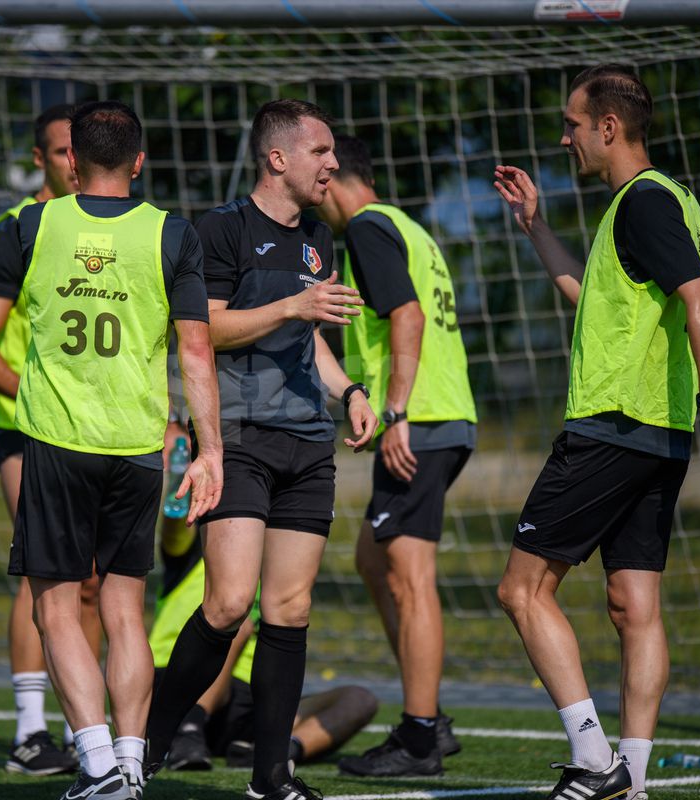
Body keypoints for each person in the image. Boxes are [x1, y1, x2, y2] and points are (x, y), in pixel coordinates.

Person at [493, 64, 700, 800]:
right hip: (656, 436)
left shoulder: (643, 202)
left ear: (608, 128)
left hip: (614, 426)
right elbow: (593, 300)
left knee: (521, 590)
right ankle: (630, 783)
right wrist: (535, 225)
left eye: (572, 125)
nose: (565, 138)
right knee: (633, 606)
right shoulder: (667, 202)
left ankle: (592, 758)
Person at [142, 99, 378, 800]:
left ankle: (271, 777)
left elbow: (311, 337)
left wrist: (350, 391)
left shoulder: (318, 237)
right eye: (320, 152)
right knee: (226, 605)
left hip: (308, 443)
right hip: (238, 437)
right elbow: (204, 329)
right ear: (278, 158)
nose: (332, 163)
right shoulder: (218, 230)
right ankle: (144, 742)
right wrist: (289, 307)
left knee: (290, 609)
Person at [0, 100, 223, 800]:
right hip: (137, 447)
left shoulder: (30, 225)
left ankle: (96, 767)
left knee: (57, 610)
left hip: (57, 443)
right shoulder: (172, 232)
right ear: (139, 162)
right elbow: (196, 351)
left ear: (71, 160)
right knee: (126, 613)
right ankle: (130, 765)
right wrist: (210, 450)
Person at [316, 134, 474, 777]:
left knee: (410, 579)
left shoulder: (366, 228)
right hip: (443, 415)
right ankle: (426, 713)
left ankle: (420, 735)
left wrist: (397, 411)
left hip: (420, 420)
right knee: (373, 561)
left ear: (333, 178)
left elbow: (406, 315)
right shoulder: (409, 227)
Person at [0, 104, 99, 775]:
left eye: (82, 149)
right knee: (45, 571)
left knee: (94, 582)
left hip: (100, 437)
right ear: (40, 159)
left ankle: (84, 729)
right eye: (63, 150)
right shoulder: (18, 229)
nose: (76, 161)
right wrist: (42, 403)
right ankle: (27, 732)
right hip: (28, 432)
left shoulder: (105, 231)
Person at [149, 514, 379, 773]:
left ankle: (280, 751)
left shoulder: (281, 577)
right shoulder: (195, 554)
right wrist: (180, 491)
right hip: (178, 679)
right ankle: (187, 728)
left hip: (244, 704)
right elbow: (174, 525)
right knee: (238, 624)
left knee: (360, 699)